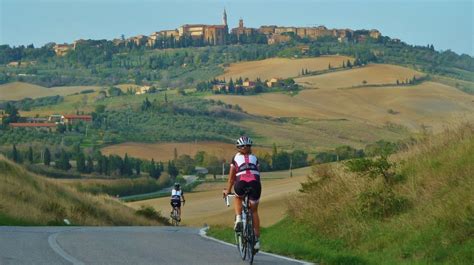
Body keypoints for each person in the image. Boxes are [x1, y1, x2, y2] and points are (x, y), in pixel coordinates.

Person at [223, 136, 262, 250]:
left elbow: (231, 178)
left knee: (238, 197)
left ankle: (239, 218)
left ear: (238, 148)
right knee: (254, 211)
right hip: (255, 184)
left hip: (241, 182)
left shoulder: (235, 158)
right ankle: (257, 241)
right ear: (250, 147)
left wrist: (228, 190)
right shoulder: (255, 158)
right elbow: (258, 174)